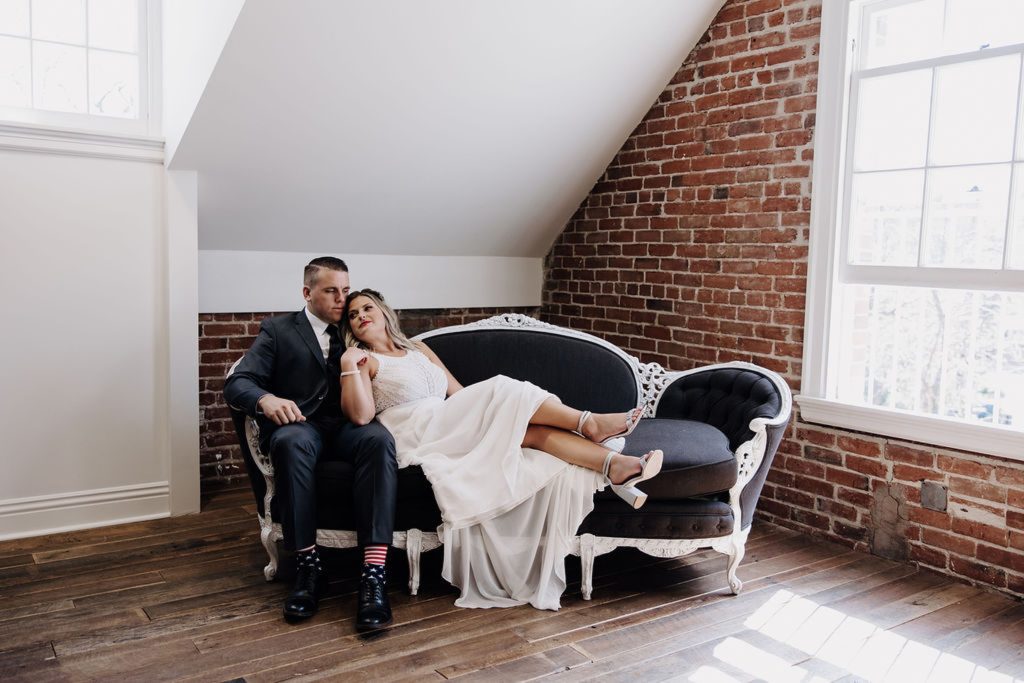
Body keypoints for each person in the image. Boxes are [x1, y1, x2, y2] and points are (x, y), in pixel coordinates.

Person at [340, 289, 663, 610]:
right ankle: (589, 423)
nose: (361, 316)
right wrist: (349, 363)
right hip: (420, 432)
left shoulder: (419, 349)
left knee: (533, 433)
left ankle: (615, 465)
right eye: (353, 315)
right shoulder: (365, 361)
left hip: (450, 419)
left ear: (384, 312)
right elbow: (362, 416)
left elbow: (458, 393)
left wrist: (488, 416)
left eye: (367, 308)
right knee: (503, 387)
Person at [224, 258, 397, 631]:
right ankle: (308, 568)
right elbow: (238, 382)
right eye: (331, 291)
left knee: (380, 440)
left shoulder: (355, 326)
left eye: (345, 290)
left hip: (350, 424)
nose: (342, 299)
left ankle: (373, 574)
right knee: (289, 442)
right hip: (302, 425)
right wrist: (266, 399)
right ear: (307, 292)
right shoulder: (278, 330)